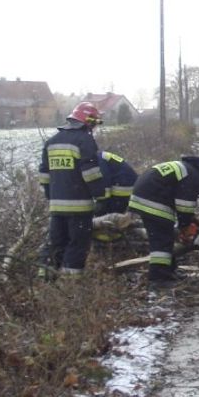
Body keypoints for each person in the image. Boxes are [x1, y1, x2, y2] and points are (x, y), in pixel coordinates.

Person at [128, 155, 199, 288]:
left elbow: (178, 198)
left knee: (164, 238)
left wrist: (191, 219)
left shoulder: (188, 169)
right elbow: (185, 206)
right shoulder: (193, 176)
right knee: (162, 241)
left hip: (145, 197)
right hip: (153, 201)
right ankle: (158, 279)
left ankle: (168, 271)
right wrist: (185, 227)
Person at [37, 101, 108, 277]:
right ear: (88, 122)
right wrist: (100, 196)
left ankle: (46, 277)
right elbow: (90, 172)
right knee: (77, 244)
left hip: (56, 207)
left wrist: (50, 196)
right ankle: (70, 284)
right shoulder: (85, 140)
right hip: (79, 207)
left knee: (57, 243)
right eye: (94, 123)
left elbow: (44, 173)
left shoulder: (52, 142)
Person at [94, 150, 138, 216]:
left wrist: (101, 202)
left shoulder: (96, 159)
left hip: (122, 188)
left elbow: (104, 181)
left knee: (109, 214)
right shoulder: (100, 155)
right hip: (129, 186)